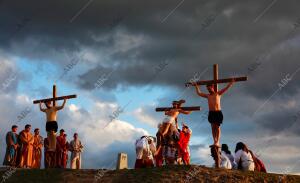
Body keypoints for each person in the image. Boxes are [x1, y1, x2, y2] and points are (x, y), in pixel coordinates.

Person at [193, 80, 234, 147]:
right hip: (211, 113)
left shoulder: (218, 94)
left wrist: (231, 83)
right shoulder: (207, 96)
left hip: (218, 112)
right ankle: (214, 141)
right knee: (213, 127)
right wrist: (196, 86)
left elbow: (226, 88)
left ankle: (217, 141)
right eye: (207, 89)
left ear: (212, 87)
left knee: (217, 127)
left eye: (209, 88)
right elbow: (199, 93)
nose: (208, 90)